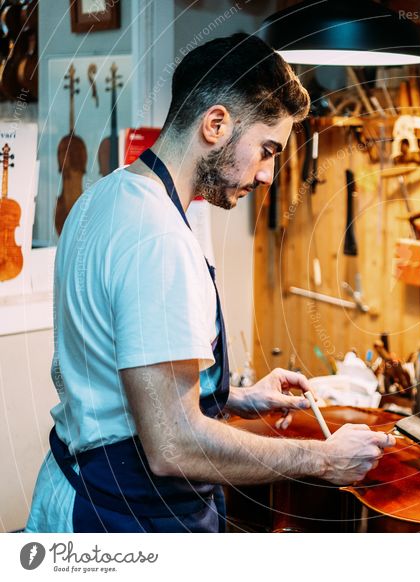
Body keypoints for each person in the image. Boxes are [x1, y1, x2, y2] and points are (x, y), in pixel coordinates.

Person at [25, 33, 393, 533]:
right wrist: (322, 458)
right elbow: (174, 443)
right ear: (216, 124)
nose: (268, 174)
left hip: (76, 486)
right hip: (122, 515)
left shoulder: (107, 196)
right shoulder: (158, 238)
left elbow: (123, 372)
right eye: (266, 149)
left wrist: (231, 396)